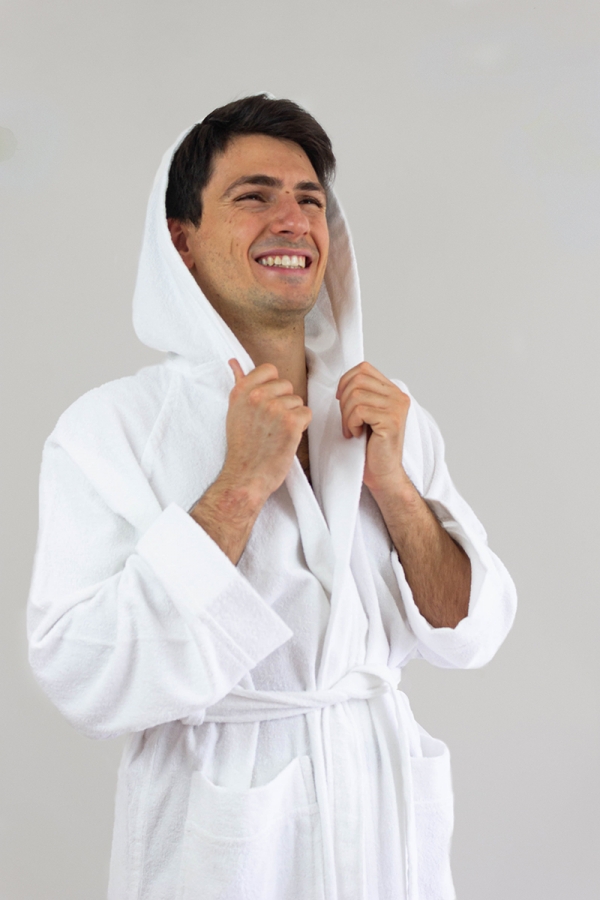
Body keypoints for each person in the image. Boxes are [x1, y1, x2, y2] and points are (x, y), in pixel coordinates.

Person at [27, 94, 517, 900]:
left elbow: (471, 633)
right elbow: (84, 676)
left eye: (310, 201)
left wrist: (396, 489)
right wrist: (240, 484)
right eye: (254, 196)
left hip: (380, 811)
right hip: (221, 834)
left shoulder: (387, 414)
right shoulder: (112, 429)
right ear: (181, 241)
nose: (292, 220)